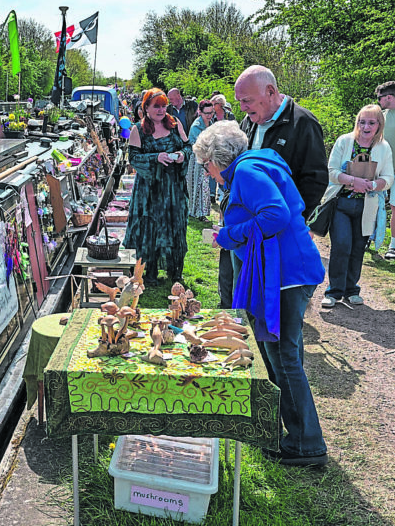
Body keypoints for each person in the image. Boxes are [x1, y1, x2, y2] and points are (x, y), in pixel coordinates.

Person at [193, 121, 328, 467]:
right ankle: (293, 434)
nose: (207, 172)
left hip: (285, 276)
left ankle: (306, 444)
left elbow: (276, 214)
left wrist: (228, 234)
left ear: (216, 158)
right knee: (277, 354)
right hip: (280, 273)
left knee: (283, 357)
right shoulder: (250, 167)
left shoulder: (248, 172)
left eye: (205, 164)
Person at [320, 105, 394, 308]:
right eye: (362, 121)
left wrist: (371, 185)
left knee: (358, 248)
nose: (366, 126)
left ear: (379, 124)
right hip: (341, 203)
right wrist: (353, 181)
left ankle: (351, 290)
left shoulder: (383, 147)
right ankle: (333, 291)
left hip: (367, 207)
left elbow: (388, 178)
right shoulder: (344, 141)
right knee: (342, 245)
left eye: (371, 122)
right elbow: (331, 171)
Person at [234, 65, 328, 219]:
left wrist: (293, 219)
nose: (242, 107)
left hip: (281, 225)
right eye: (239, 101)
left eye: (247, 100)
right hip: (249, 222)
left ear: (270, 91)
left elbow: (316, 179)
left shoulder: (303, 123)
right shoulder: (248, 121)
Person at [123, 88, 191, 286]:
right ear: (146, 108)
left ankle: (175, 271)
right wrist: (155, 158)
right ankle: (149, 272)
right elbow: (134, 158)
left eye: (164, 106)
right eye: (157, 106)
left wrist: (181, 156)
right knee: (150, 229)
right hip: (149, 191)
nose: (161, 110)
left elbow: (188, 147)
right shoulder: (138, 129)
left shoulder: (174, 124)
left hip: (174, 188)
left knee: (175, 226)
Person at [375, 81, 395, 260]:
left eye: (380, 98)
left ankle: (393, 246)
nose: (378, 101)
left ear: (389, 97)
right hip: (380, 169)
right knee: (372, 205)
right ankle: (370, 238)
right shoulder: (381, 116)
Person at [186, 99, 214, 220]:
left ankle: (200, 212)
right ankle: (198, 212)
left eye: (211, 112)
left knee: (204, 185)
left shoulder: (211, 122)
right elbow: (200, 145)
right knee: (199, 185)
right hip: (197, 158)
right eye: (206, 113)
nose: (209, 115)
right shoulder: (197, 126)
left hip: (207, 157)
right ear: (200, 112)